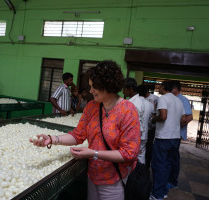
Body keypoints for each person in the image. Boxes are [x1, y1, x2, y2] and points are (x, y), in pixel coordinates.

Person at [30, 60, 141, 200]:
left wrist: (94, 153)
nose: (90, 91)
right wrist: (52, 139)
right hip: (93, 175)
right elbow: (78, 135)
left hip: (114, 179)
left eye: (94, 87)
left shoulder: (128, 110)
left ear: (107, 85)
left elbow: (129, 153)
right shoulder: (92, 107)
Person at [150, 81, 186, 200]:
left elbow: (163, 116)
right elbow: (183, 119)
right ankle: (164, 191)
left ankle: (157, 194)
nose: (158, 88)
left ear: (164, 87)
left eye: (159, 86)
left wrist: (154, 119)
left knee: (158, 166)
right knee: (167, 165)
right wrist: (173, 126)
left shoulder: (163, 98)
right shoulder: (178, 100)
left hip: (163, 138)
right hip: (175, 138)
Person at [167, 80, 193, 190]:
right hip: (170, 134)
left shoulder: (183, 100)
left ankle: (173, 181)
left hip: (176, 134)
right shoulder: (173, 99)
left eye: (170, 88)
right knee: (170, 157)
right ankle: (169, 179)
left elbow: (189, 117)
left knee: (173, 158)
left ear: (175, 89)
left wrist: (176, 126)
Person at [122, 78, 147, 163]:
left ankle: (138, 175)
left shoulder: (135, 103)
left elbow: (135, 124)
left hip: (134, 136)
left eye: (124, 89)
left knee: (136, 160)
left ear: (131, 89)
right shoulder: (134, 101)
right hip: (135, 136)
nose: (123, 91)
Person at [138, 84, 156, 168]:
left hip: (135, 134)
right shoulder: (150, 105)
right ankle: (141, 174)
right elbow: (151, 118)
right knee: (142, 155)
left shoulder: (133, 102)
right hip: (145, 134)